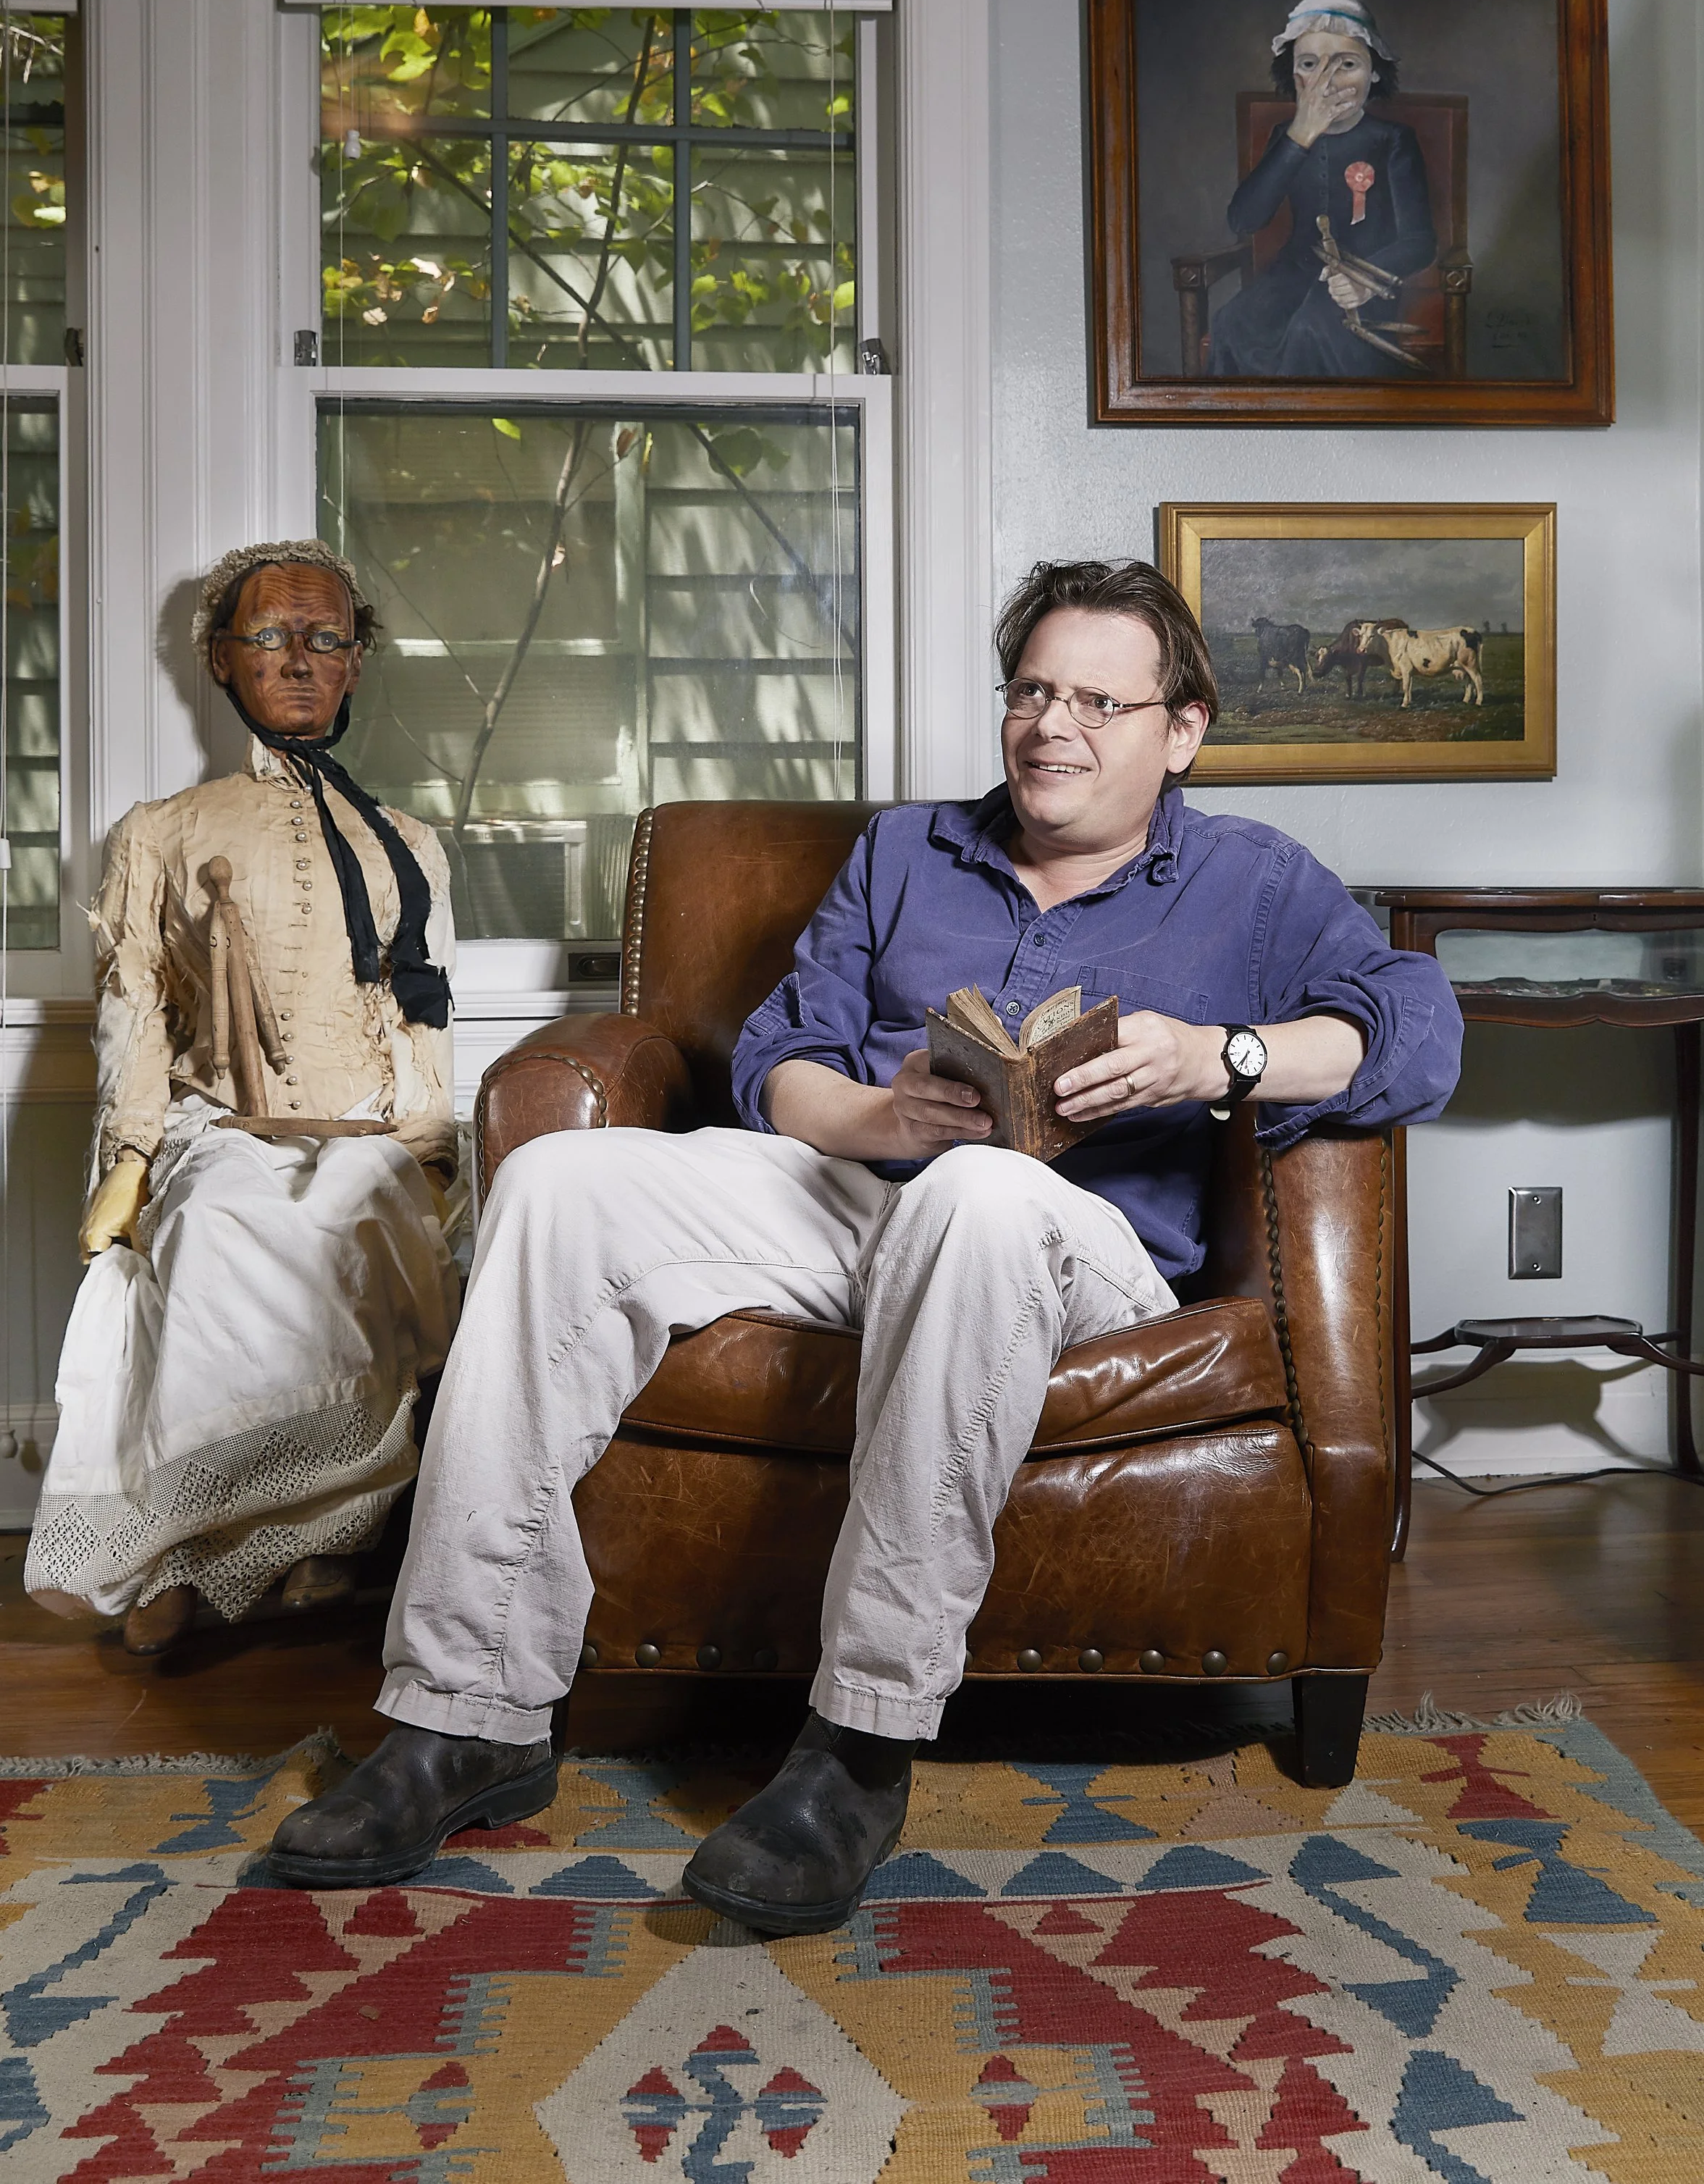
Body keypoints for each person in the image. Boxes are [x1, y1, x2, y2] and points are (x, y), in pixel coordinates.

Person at [266, 557, 1462, 1928]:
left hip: (1083, 1254)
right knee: (556, 1187)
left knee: (981, 1199)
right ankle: (465, 1712)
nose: (1050, 728)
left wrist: (1218, 1055)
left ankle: (859, 1745)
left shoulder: (1255, 882)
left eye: (1097, 702)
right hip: (876, 1194)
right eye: (1031, 691)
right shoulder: (908, 849)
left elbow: (1418, 1027)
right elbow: (784, 1058)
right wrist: (885, 1115)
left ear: (1179, 730)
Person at [25, 540, 461, 1653]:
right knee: (213, 1226)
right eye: (271, 638)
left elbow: (425, 1015)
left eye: (326, 639)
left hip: (372, 1128)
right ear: (222, 660)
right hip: (225, 1125)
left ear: (357, 662)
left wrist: (436, 1142)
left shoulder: (411, 845)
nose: (300, 661)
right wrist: (126, 1158)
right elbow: (133, 1010)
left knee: (368, 1218)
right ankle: (190, 1551)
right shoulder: (162, 833)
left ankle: (325, 1539)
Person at [1211, 0, 1436, 382]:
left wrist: (1367, 282)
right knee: (1232, 323)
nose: (1327, 83)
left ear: (1375, 72)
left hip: (1367, 279)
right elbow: (1243, 219)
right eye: (1310, 65)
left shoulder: (1393, 140)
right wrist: (1301, 135)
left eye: (1347, 64)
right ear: (1293, 75)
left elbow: (1419, 241)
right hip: (1292, 273)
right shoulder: (1287, 135)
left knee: (1312, 332)